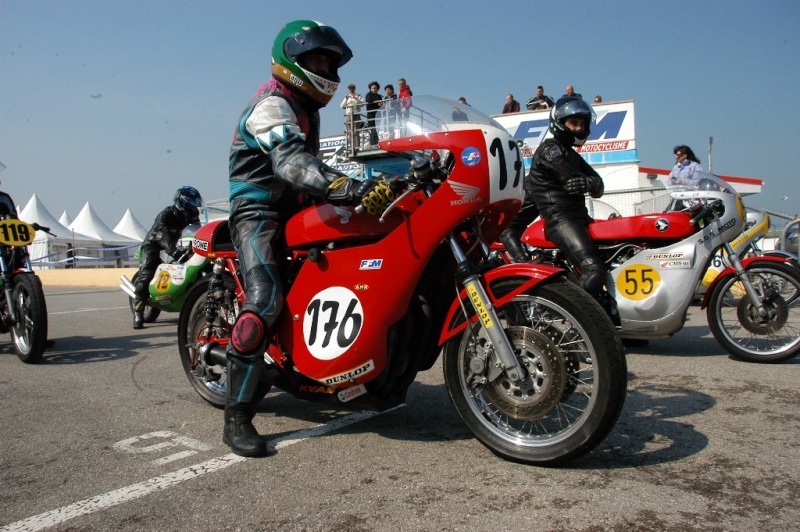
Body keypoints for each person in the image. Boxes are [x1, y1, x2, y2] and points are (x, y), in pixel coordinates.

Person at [225, 20, 390, 457]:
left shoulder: (308, 108)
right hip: (259, 210)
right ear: (291, 60)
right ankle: (237, 416)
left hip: (297, 209)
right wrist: (345, 187)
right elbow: (291, 163)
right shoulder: (272, 105)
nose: (324, 68)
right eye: (315, 60)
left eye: (328, 62)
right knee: (264, 299)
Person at [500, 97, 609, 304]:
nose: (578, 128)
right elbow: (570, 179)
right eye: (573, 123)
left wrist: (588, 183)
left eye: (582, 124)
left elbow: (599, 185)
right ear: (559, 123)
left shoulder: (573, 155)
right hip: (561, 220)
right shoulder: (551, 150)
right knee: (594, 271)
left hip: (580, 218)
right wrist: (587, 183)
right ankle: (585, 321)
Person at [132, 186, 202, 329]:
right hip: (152, 245)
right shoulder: (165, 215)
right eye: (192, 207)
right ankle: (138, 313)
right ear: (182, 204)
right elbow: (162, 237)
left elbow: (198, 233)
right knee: (146, 276)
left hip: (174, 244)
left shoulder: (190, 218)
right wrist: (176, 253)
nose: (195, 210)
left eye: (196, 208)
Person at [340, 83, 363, 149]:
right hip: (349, 114)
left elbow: (362, 103)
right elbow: (342, 105)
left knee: (356, 131)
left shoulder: (358, 95)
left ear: (354, 88)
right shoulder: (347, 96)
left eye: (352, 88)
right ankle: (352, 147)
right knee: (350, 131)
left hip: (356, 114)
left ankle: (357, 147)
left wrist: (355, 98)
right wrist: (346, 99)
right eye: (350, 88)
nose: (351, 89)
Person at [364, 81, 382, 146]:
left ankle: (376, 143)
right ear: (370, 89)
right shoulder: (368, 95)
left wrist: (380, 104)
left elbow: (381, 104)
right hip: (371, 115)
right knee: (373, 129)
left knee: (377, 130)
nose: (374, 89)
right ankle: (372, 144)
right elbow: (369, 101)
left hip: (378, 114)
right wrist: (377, 102)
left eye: (375, 88)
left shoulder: (379, 96)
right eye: (373, 88)